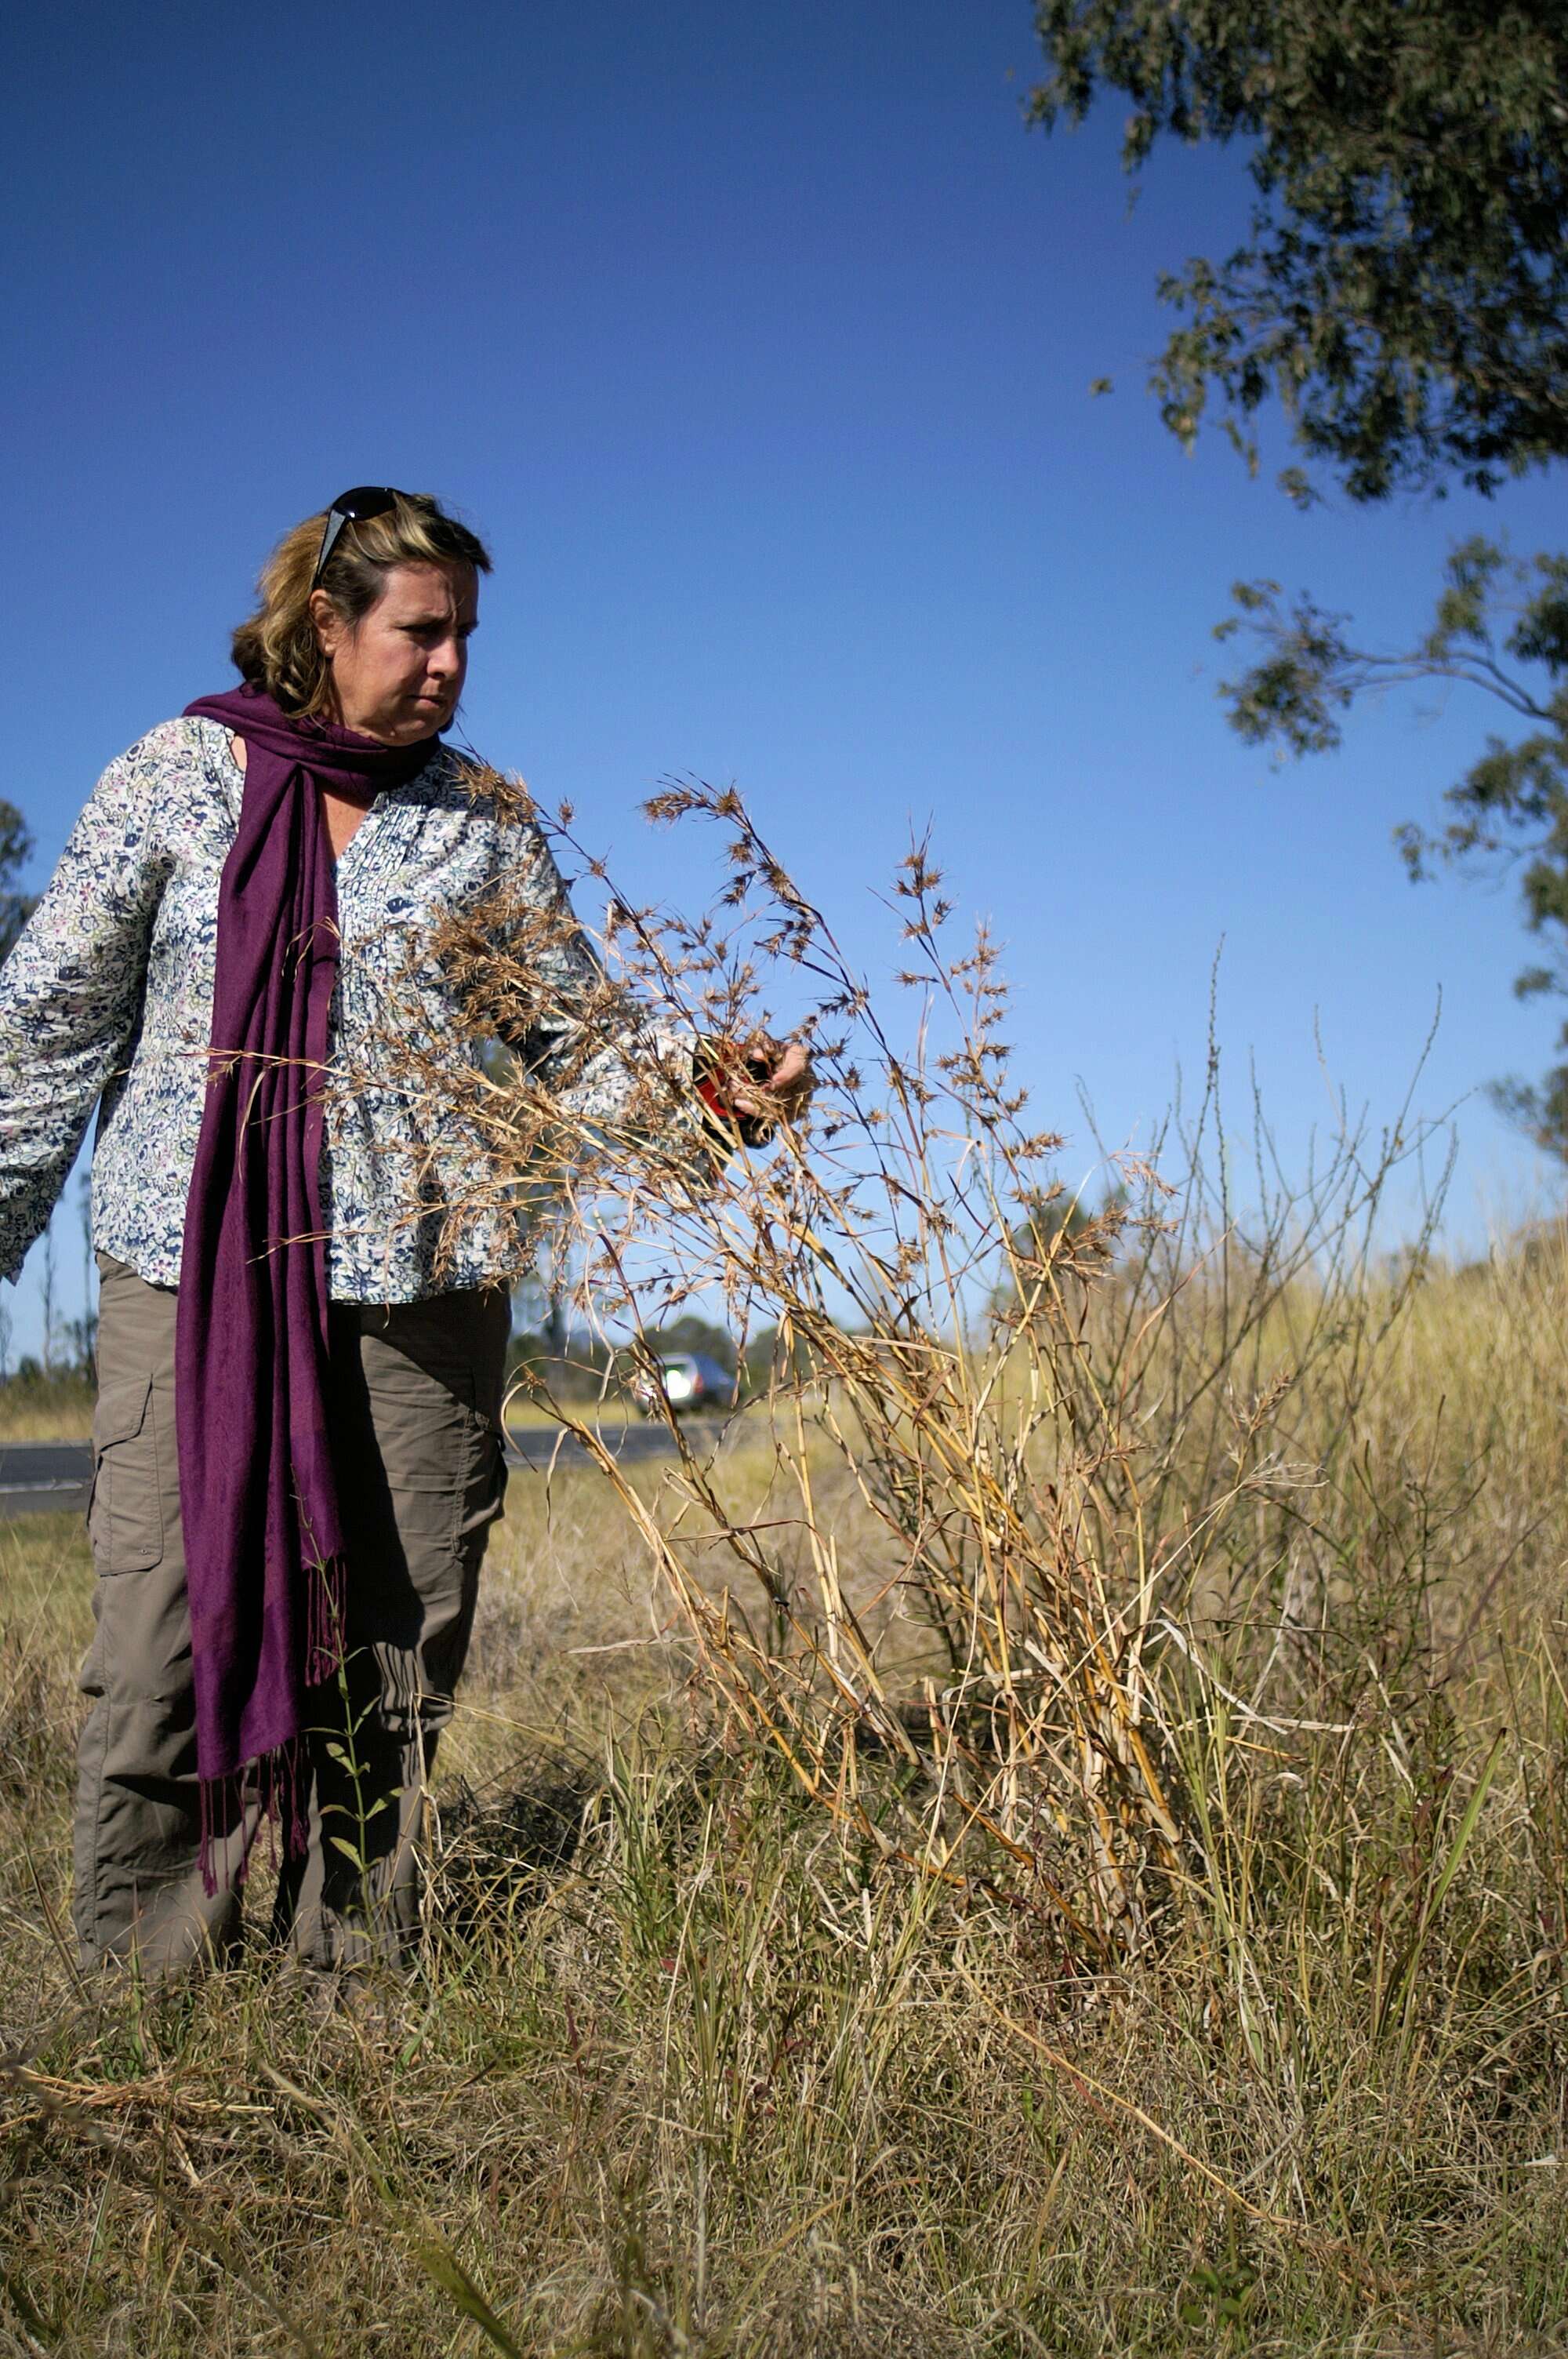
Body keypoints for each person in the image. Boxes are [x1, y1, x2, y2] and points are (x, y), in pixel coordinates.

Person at [0, 487, 808, 1986]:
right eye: (419, 630)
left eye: (465, 639)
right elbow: (47, 1024)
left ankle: (346, 1976)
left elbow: (577, 1033)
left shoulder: (483, 824)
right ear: (327, 623)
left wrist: (713, 1091)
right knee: (157, 1643)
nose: (446, 664)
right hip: (189, 1280)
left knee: (397, 1641)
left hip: (422, 1289)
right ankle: (140, 1994)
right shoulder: (178, 775)